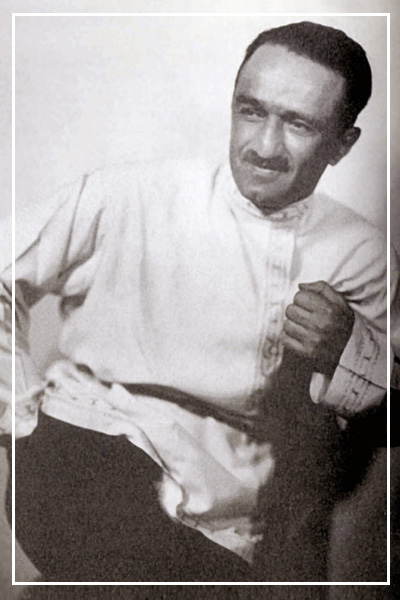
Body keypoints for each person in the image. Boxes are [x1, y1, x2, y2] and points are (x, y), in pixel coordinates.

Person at [0, 21, 392, 583]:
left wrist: (349, 347)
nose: (264, 147)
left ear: (342, 144)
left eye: (298, 124)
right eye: (251, 111)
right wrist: (18, 416)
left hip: (225, 504)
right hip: (85, 444)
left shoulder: (361, 253)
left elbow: (390, 400)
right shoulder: (132, 194)